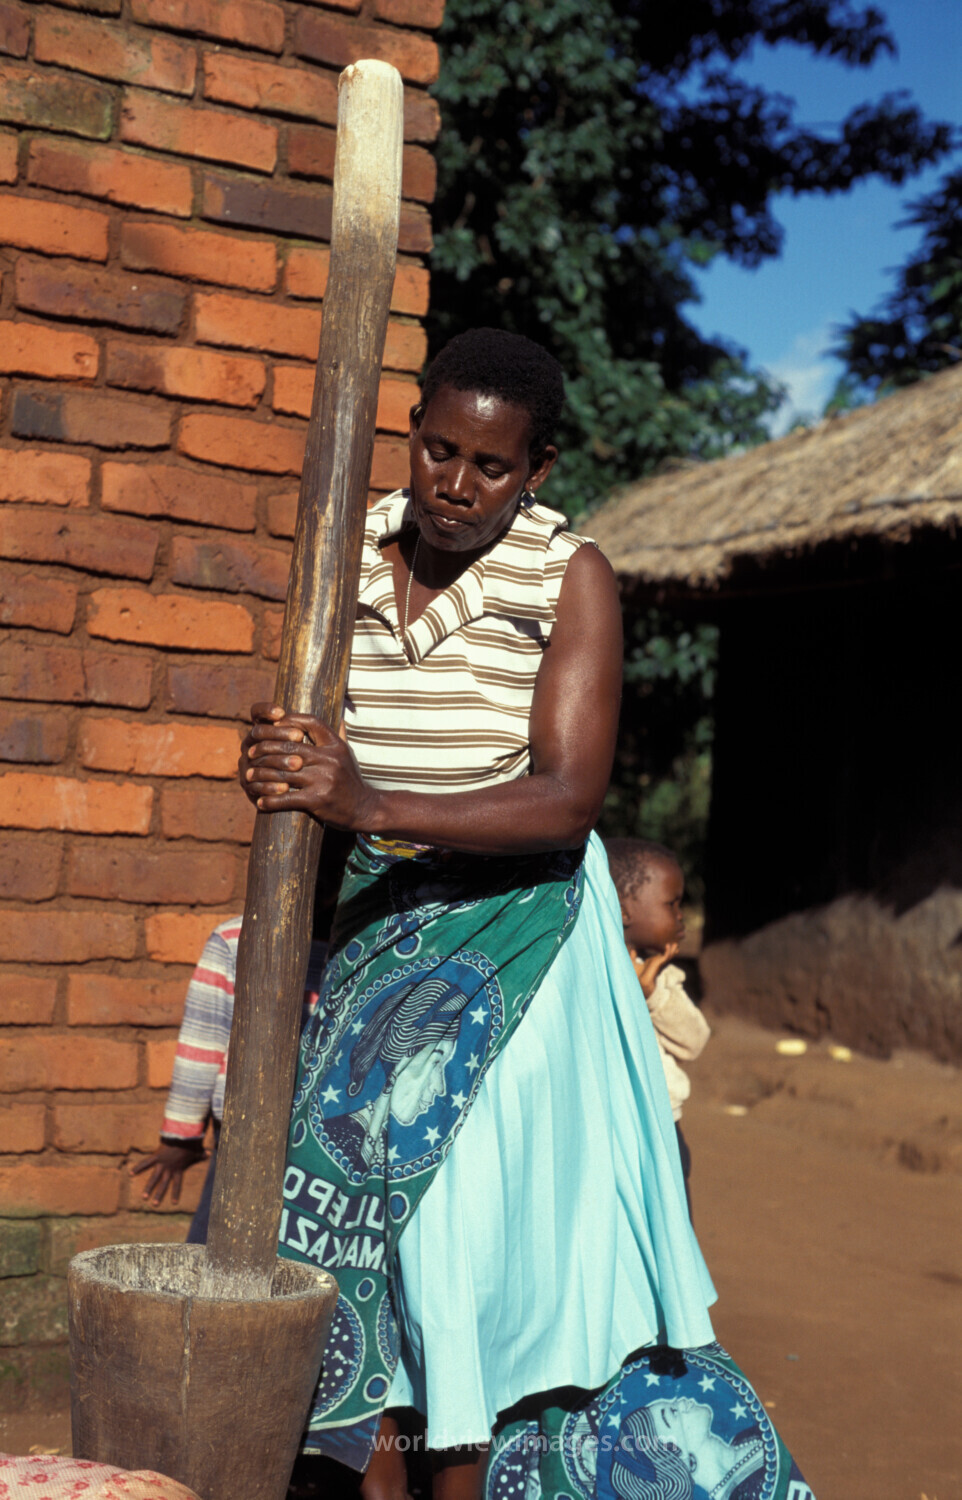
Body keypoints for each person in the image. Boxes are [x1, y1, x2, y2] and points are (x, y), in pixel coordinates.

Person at [238, 328, 814, 1500]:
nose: (454, 485)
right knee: (370, 1263)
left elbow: (564, 798)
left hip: (513, 957)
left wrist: (371, 796)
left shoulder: (569, 574)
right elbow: (311, 742)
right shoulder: (344, 558)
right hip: (373, 943)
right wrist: (286, 766)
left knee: (464, 1258)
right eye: (436, 449)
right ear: (409, 431)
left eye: (490, 466)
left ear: (538, 467)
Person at [130, 918, 327, 1243]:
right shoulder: (235, 941)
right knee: (223, 1256)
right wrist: (181, 1136)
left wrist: (182, 1137)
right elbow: (204, 1040)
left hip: (313, 1144)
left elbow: (203, 1038)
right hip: (249, 1139)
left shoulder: (366, 938)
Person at [604, 838, 710, 1212]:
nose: (681, 915)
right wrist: (632, 992)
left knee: (674, 1217)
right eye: (671, 904)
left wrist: (653, 995)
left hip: (665, 1128)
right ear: (623, 910)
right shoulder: (597, 974)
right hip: (610, 1130)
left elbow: (694, 1042)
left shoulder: (665, 979)